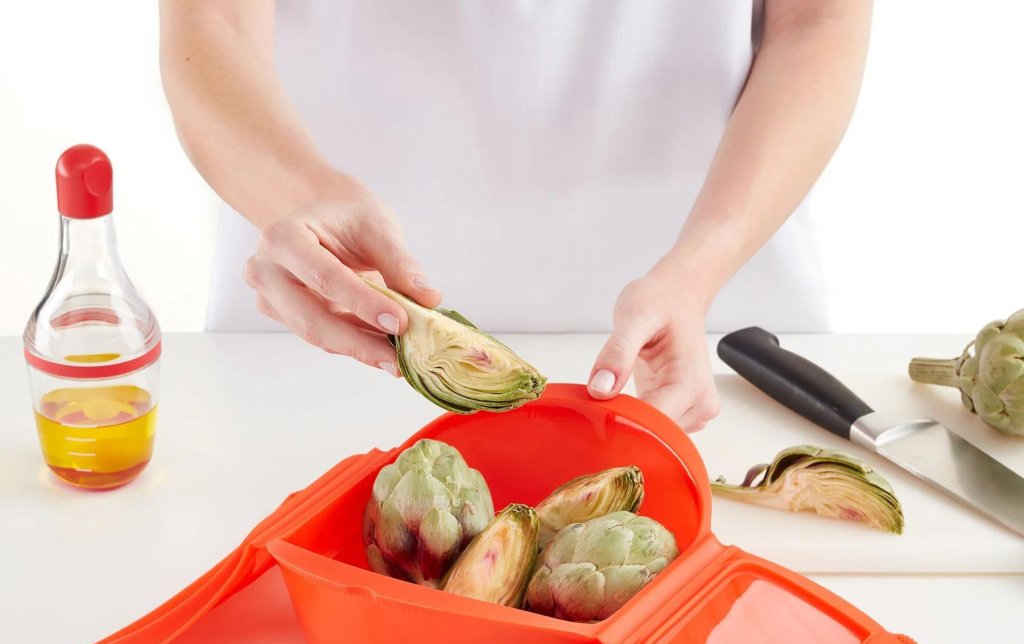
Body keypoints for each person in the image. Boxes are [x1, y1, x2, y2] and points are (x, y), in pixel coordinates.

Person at [159, 0, 871, 431]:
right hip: (321, 330)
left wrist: (698, 272)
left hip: (711, 339)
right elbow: (211, 19)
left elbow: (819, 21)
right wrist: (295, 197)